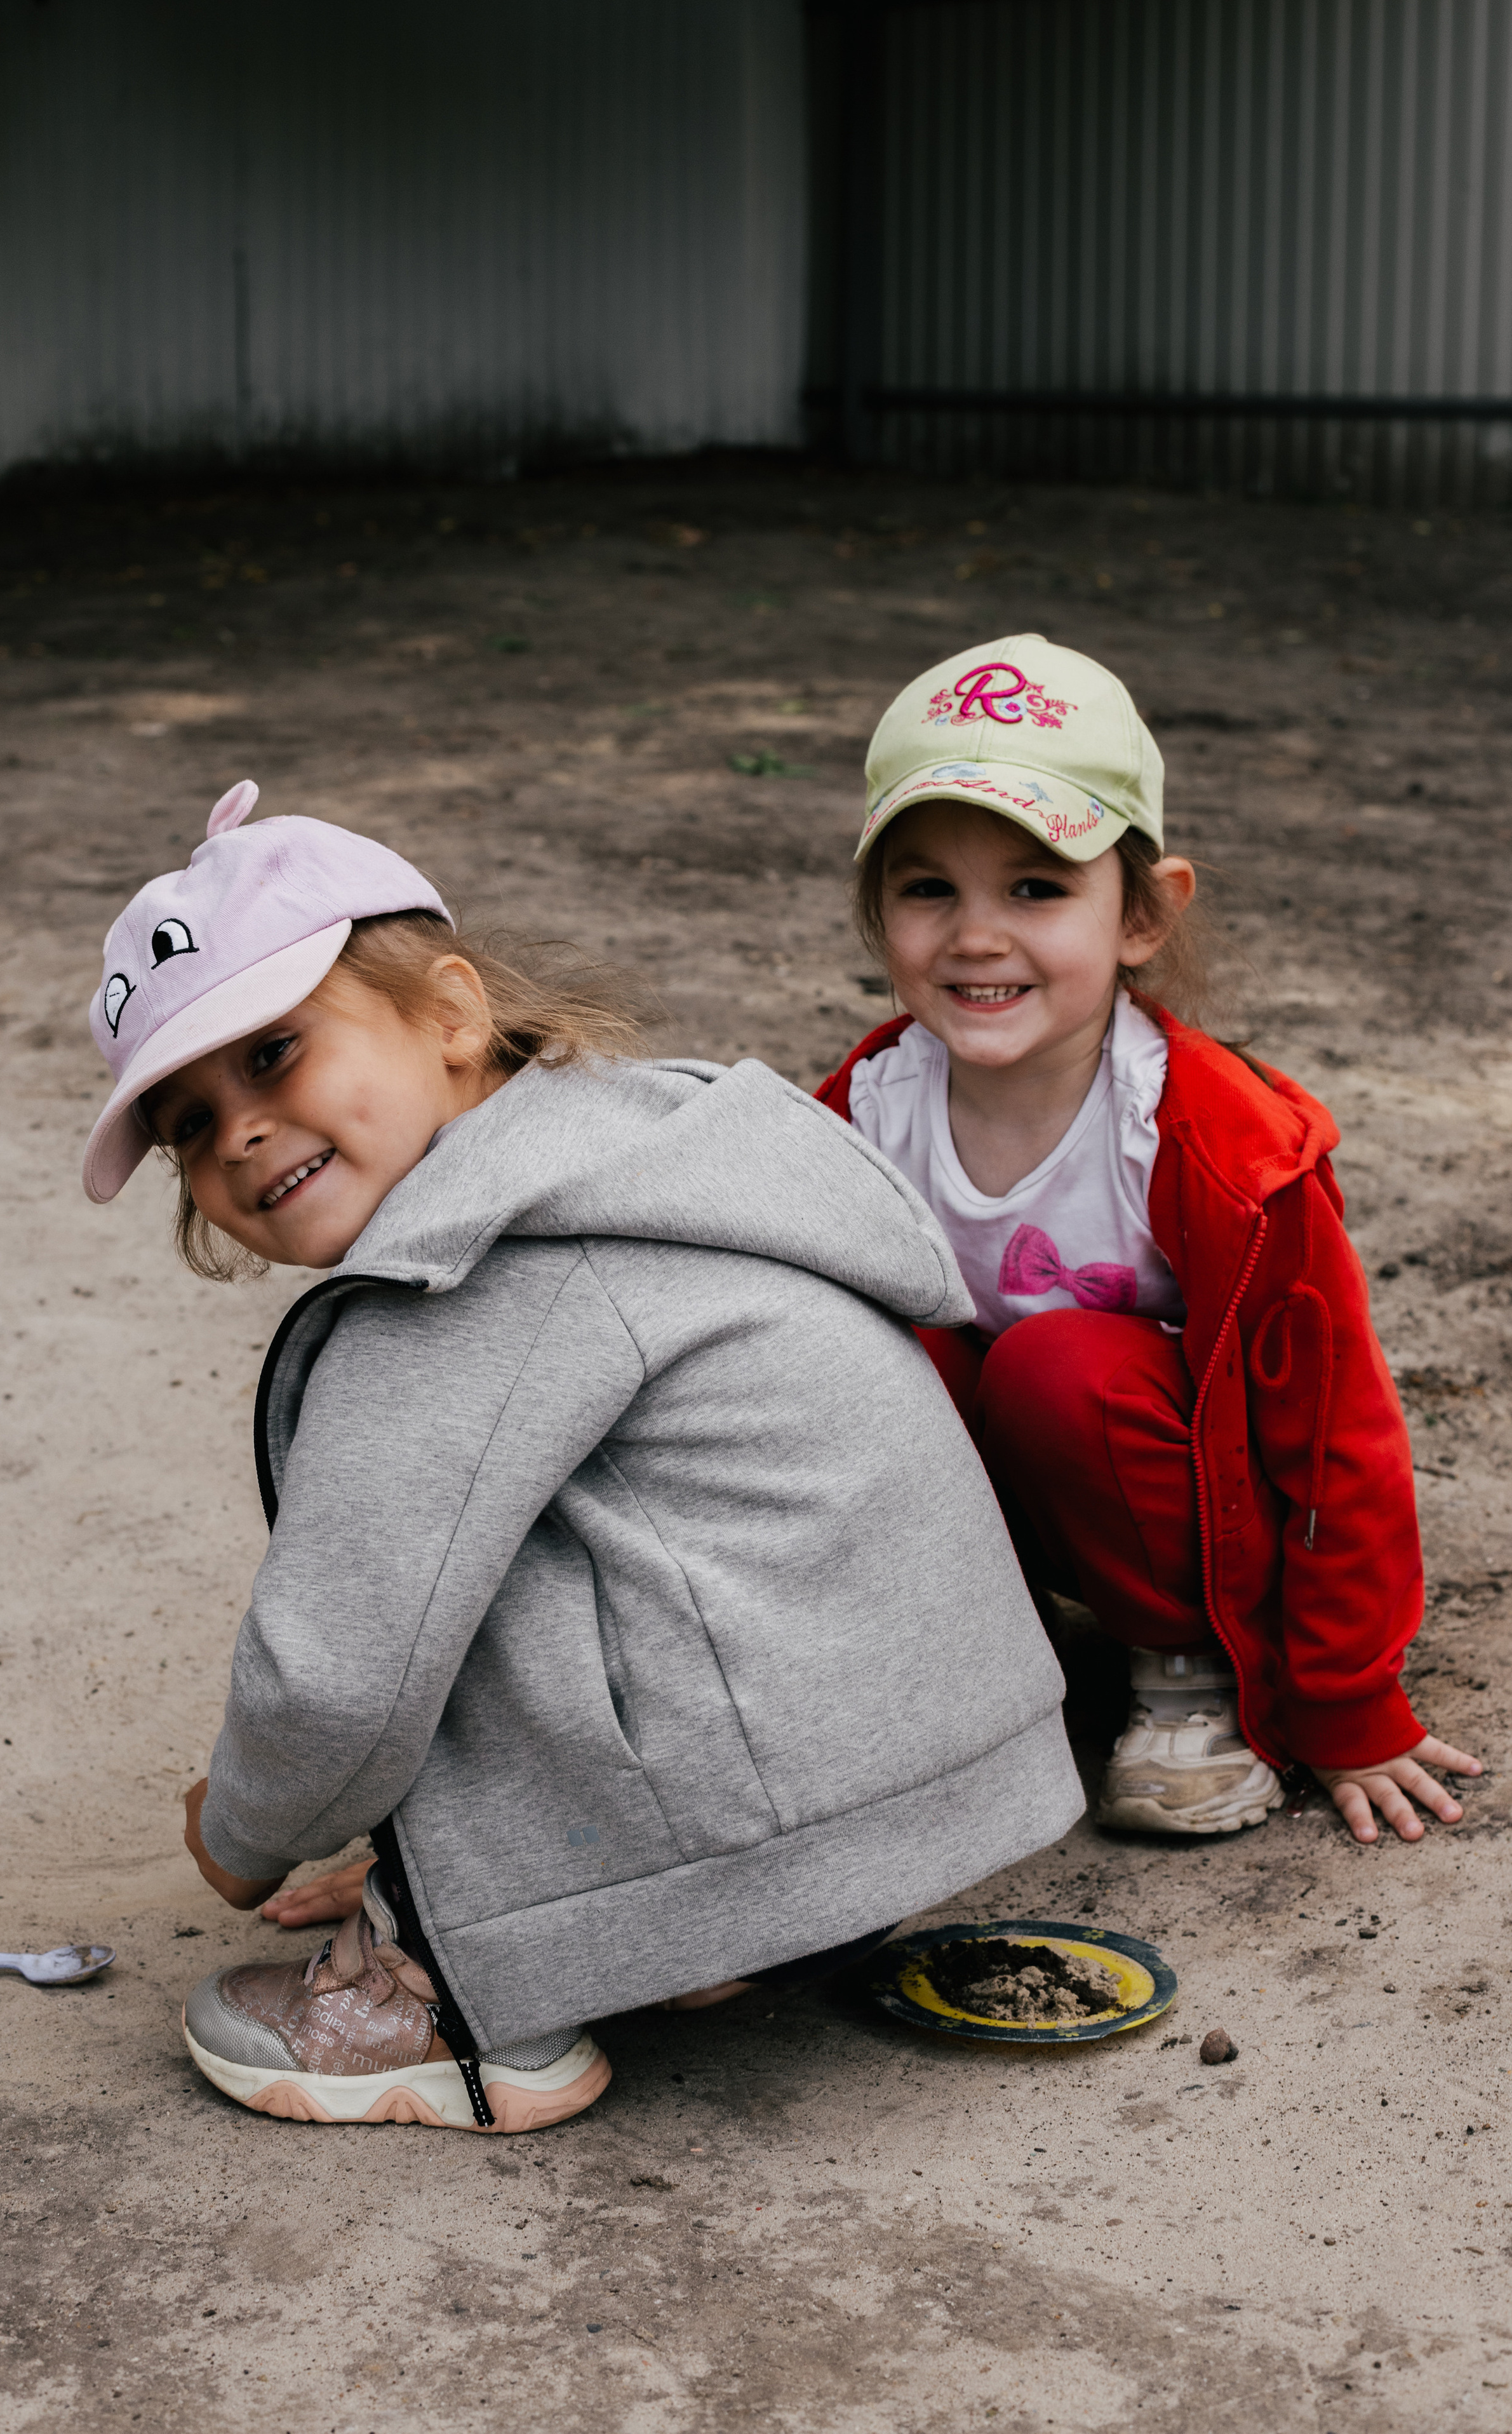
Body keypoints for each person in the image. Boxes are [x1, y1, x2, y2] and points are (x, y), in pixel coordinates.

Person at [80, 780, 1082, 2132]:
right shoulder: (632, 1148)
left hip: (771, 1823)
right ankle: (662, 1923)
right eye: (187, 1124)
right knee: (536, 1529)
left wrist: (245, 1829)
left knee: (423, 1578)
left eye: (271, 1056)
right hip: (920, 1777)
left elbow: (341, 1673)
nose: (239, 1130)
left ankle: (450, 2009)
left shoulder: (465, 1284)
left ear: (449, 1014)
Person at [817, 634, 1480, 1846]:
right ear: (877, 912)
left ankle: (1182, 1674)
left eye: (1035, 888)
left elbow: (1338, 1431)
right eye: (928, 889)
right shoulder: (867, 1106)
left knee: (1055, 1360)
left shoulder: (1218, 1145)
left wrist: (1349, 1703)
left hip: (1189, 1521)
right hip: (1019, 1517)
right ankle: (975, 1667)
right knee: (864, 1346)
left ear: (1144, 913)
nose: (975, 935)